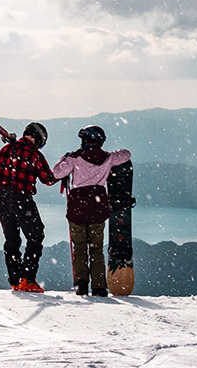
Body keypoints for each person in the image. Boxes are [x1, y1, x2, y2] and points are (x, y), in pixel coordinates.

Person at [52, 125, 131, 297]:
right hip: (98, 206)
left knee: (79, 247)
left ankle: (81, 284)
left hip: (77, 207)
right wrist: (112, 153)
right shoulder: (108, 158)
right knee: (96, 249)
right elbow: (126, 154)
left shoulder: (74, 158)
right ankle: (99, 287)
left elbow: (57, 173)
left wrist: (63, 158)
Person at [0, 122, 58, 293]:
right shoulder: (34, 154)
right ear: (39, 138)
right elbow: (48, 179)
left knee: (12, 239)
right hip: (21, 197)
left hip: (2, 198)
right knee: (36, 235)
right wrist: (62, 171)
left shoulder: (6, 149)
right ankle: (27, 279)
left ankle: (15, 280)